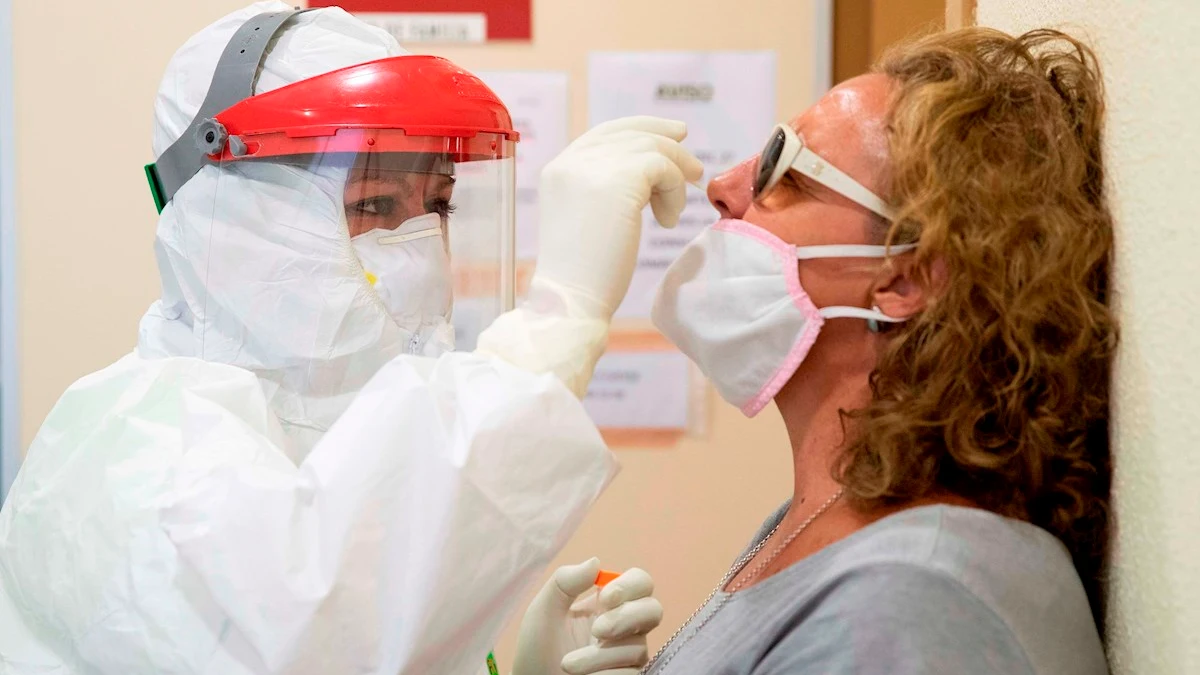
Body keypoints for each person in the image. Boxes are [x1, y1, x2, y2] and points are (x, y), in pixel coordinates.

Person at [0, 3, 698, 674]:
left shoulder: (345, 426)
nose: (422, 246)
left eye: (438, 204)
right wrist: (559, 319)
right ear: (233, 215)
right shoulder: (125, 448)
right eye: (371, 205)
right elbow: (314, 640)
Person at [644, 27, 1114, 674]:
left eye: (784, 169)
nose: (724, 186)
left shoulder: (911, 600)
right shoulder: (827, 521)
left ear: (906, 278)